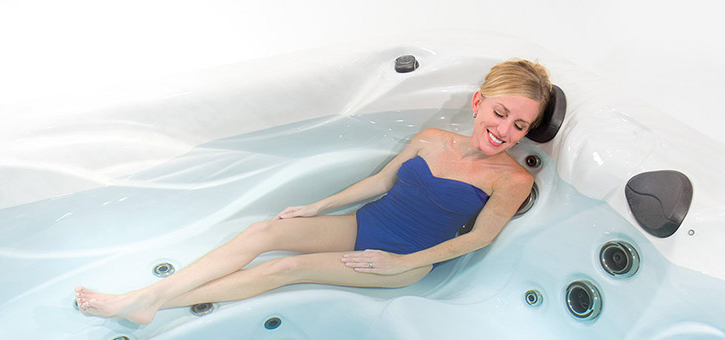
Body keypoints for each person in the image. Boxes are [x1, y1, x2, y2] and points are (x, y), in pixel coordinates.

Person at [75, 59, 552, 325]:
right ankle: (146, 297)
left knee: (284, 268)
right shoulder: (431, 139)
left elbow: (479, 238)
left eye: (519, 125)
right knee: (263, 232)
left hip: (406, 257)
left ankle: (150, 302)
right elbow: (382, 182)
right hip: (367, 222)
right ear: (478, 102)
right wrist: (318, 206)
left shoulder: (513, 179)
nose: (504, 131)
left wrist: (401, 263)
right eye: (500, 113)